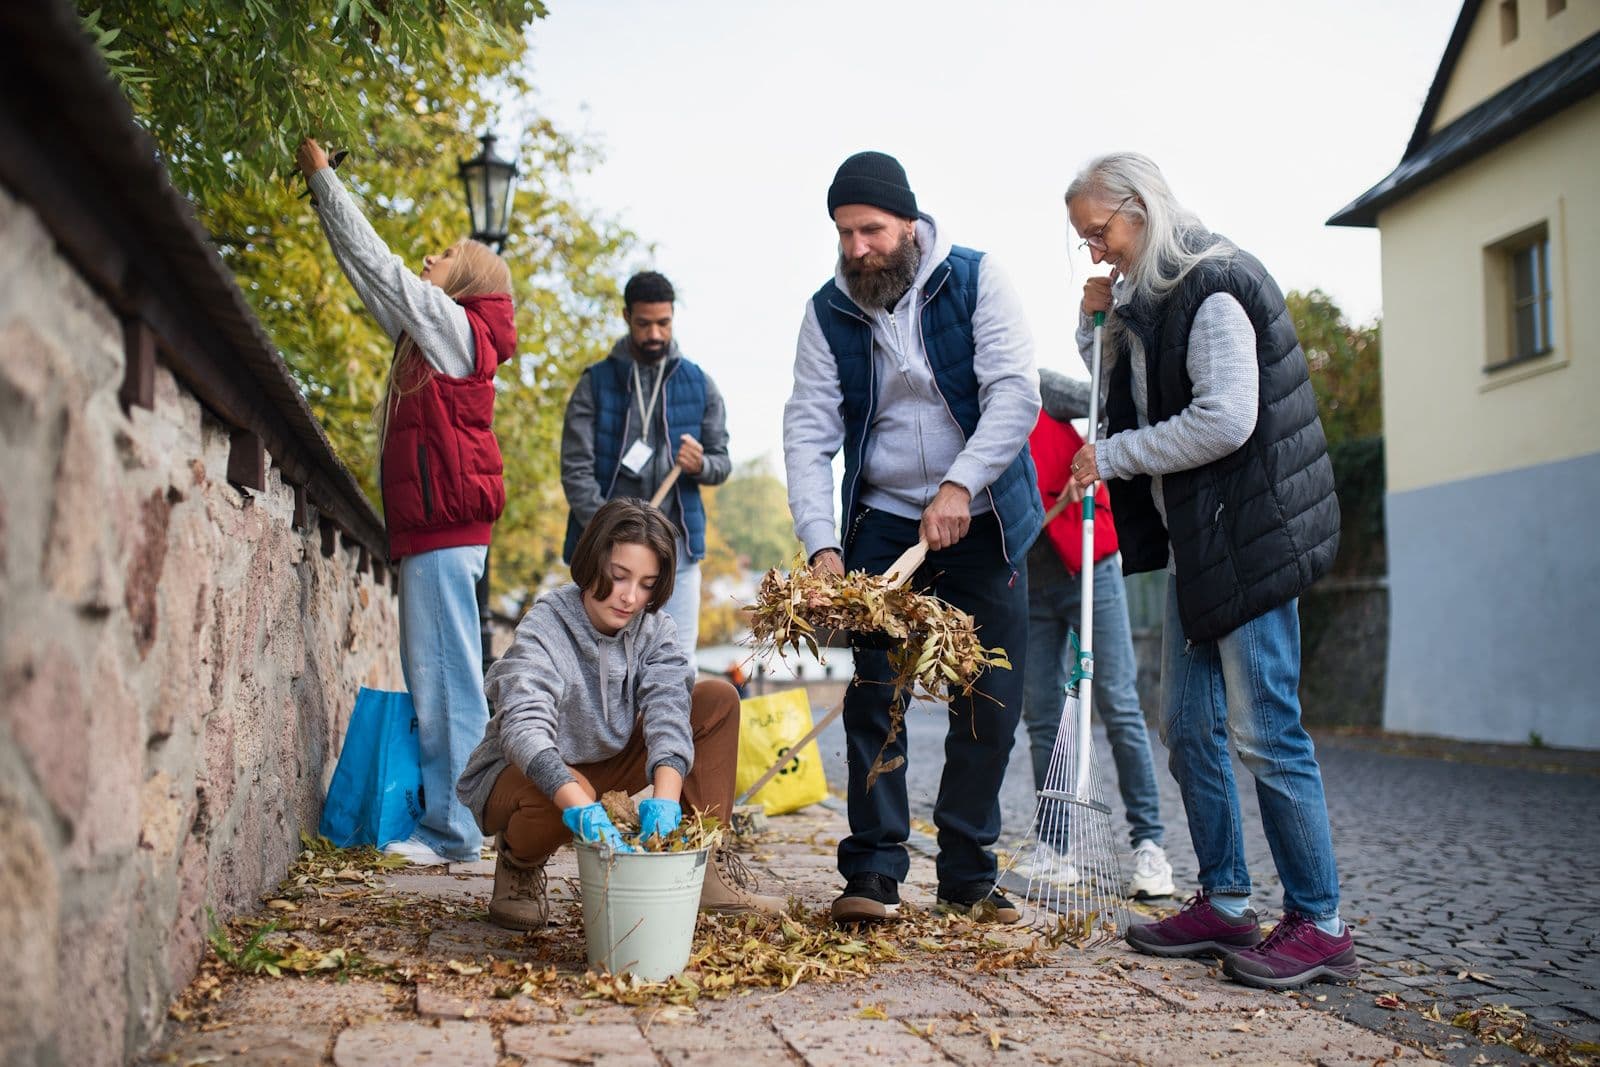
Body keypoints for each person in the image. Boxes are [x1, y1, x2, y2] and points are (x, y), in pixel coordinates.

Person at [1063, 152, 1352, 989]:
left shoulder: (1214, 283)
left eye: (1099, 232)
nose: (1096, 252)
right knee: (1189, 727)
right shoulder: (1148, 299)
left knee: (1266, 730)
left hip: (1251, 540)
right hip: (1200, 545)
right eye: (1083, 241)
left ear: (1139, 207)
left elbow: (1225, 418)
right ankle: (1226, 900)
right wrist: (1097, 329)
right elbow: (1119, 397)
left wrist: (1111, 458)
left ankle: (1321, 922)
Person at [783, 151, 1043, 925]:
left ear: (908, 223)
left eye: (871, 230)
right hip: (884, 522)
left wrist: (962, 484)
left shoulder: (977, 279)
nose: (856, 247)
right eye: (844, 232)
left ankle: (967, 874)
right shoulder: (826, 312)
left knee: (988, 702)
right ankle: (873, 872)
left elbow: (1014, 392)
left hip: (985, 512)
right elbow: (807, 432)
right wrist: (824, 545)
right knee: (875, 698)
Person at [299, 136, 514, 867]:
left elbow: (378, 267)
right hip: (439, 533)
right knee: (440, 672)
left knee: (449, 678)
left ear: (469, 279)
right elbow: (372, 281)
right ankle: (456, 823)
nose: (430, 260)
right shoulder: (437, 337)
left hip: (446, 532)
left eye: (445, 255)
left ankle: (457, 833)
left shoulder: (454, 329)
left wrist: (324, 179)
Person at [455, 499, 783, 930]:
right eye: (619, 576)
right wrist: (579, 802)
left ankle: (699, 868)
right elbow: (524, 726)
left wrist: (666, 801)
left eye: (647, 583)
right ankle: (519, 864)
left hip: (611, 759)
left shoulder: (653, 629)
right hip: (527, 771)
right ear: (593, 562)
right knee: (565, 791)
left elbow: (669, 710)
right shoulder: (547, 625)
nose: (630, 597)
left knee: (716, 699)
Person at [1016, 371, 1174, 899]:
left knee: (1118, 703)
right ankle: (1055, 847)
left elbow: (1102, 399)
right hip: (1029, 580)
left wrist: (1096, 458)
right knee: (1041, 715)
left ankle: (1150, 846)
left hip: (1089, 561)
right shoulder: (965, 401)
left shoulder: (1035, 385)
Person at [561, 272, 731, 657]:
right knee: (600, 661)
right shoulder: (595, 383)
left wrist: (701, 464)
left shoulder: (700, 383)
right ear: (626, 317)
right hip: (607, 552)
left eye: (664, 323)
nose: (655, 333)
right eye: (644, 324)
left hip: (677, 551)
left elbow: (722, 462)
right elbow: (575, 471)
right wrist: (608, 535)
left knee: (675, 659)